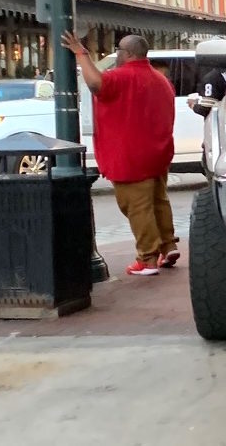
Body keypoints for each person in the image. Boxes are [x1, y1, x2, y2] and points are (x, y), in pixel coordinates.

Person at [61, 31, 178, 276]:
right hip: (158, 153)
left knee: (137, 207)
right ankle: (167, 246)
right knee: (158, 200)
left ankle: (147, 259)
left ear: (127, 54)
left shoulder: (121, 77)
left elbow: (95, 83)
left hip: (130, 157)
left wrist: (80, 53)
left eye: (119, 50)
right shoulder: (160, 80)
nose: (117, 54)